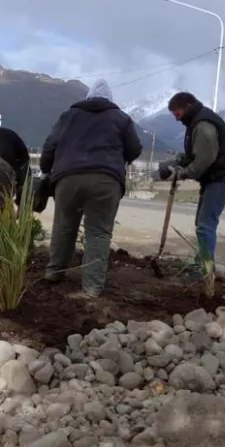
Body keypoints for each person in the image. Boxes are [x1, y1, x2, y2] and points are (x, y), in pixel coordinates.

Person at [41, 78, 142, 297]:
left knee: (64, 225)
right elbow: (134, 149)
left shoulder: (68, 115)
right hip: (106, 180)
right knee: (98, 233)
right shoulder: (122, 119)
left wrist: (46, 169)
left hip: (68, 178)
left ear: (87, 98)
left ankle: (54, 272)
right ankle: (92, 287)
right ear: (111, 99)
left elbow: (50, 145)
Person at [160, 92, 225, 268]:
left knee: (205, 225)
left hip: (222, 177)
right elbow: (195, 154)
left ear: (187, 107)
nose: (176, 119)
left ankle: (204, 270)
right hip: (216, 178)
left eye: (177, 114)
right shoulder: (197, 121)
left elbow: (204, 159)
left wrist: (180, 174)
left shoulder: (203, 124)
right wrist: (178, 162)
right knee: (202, 223)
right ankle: (203, 264)